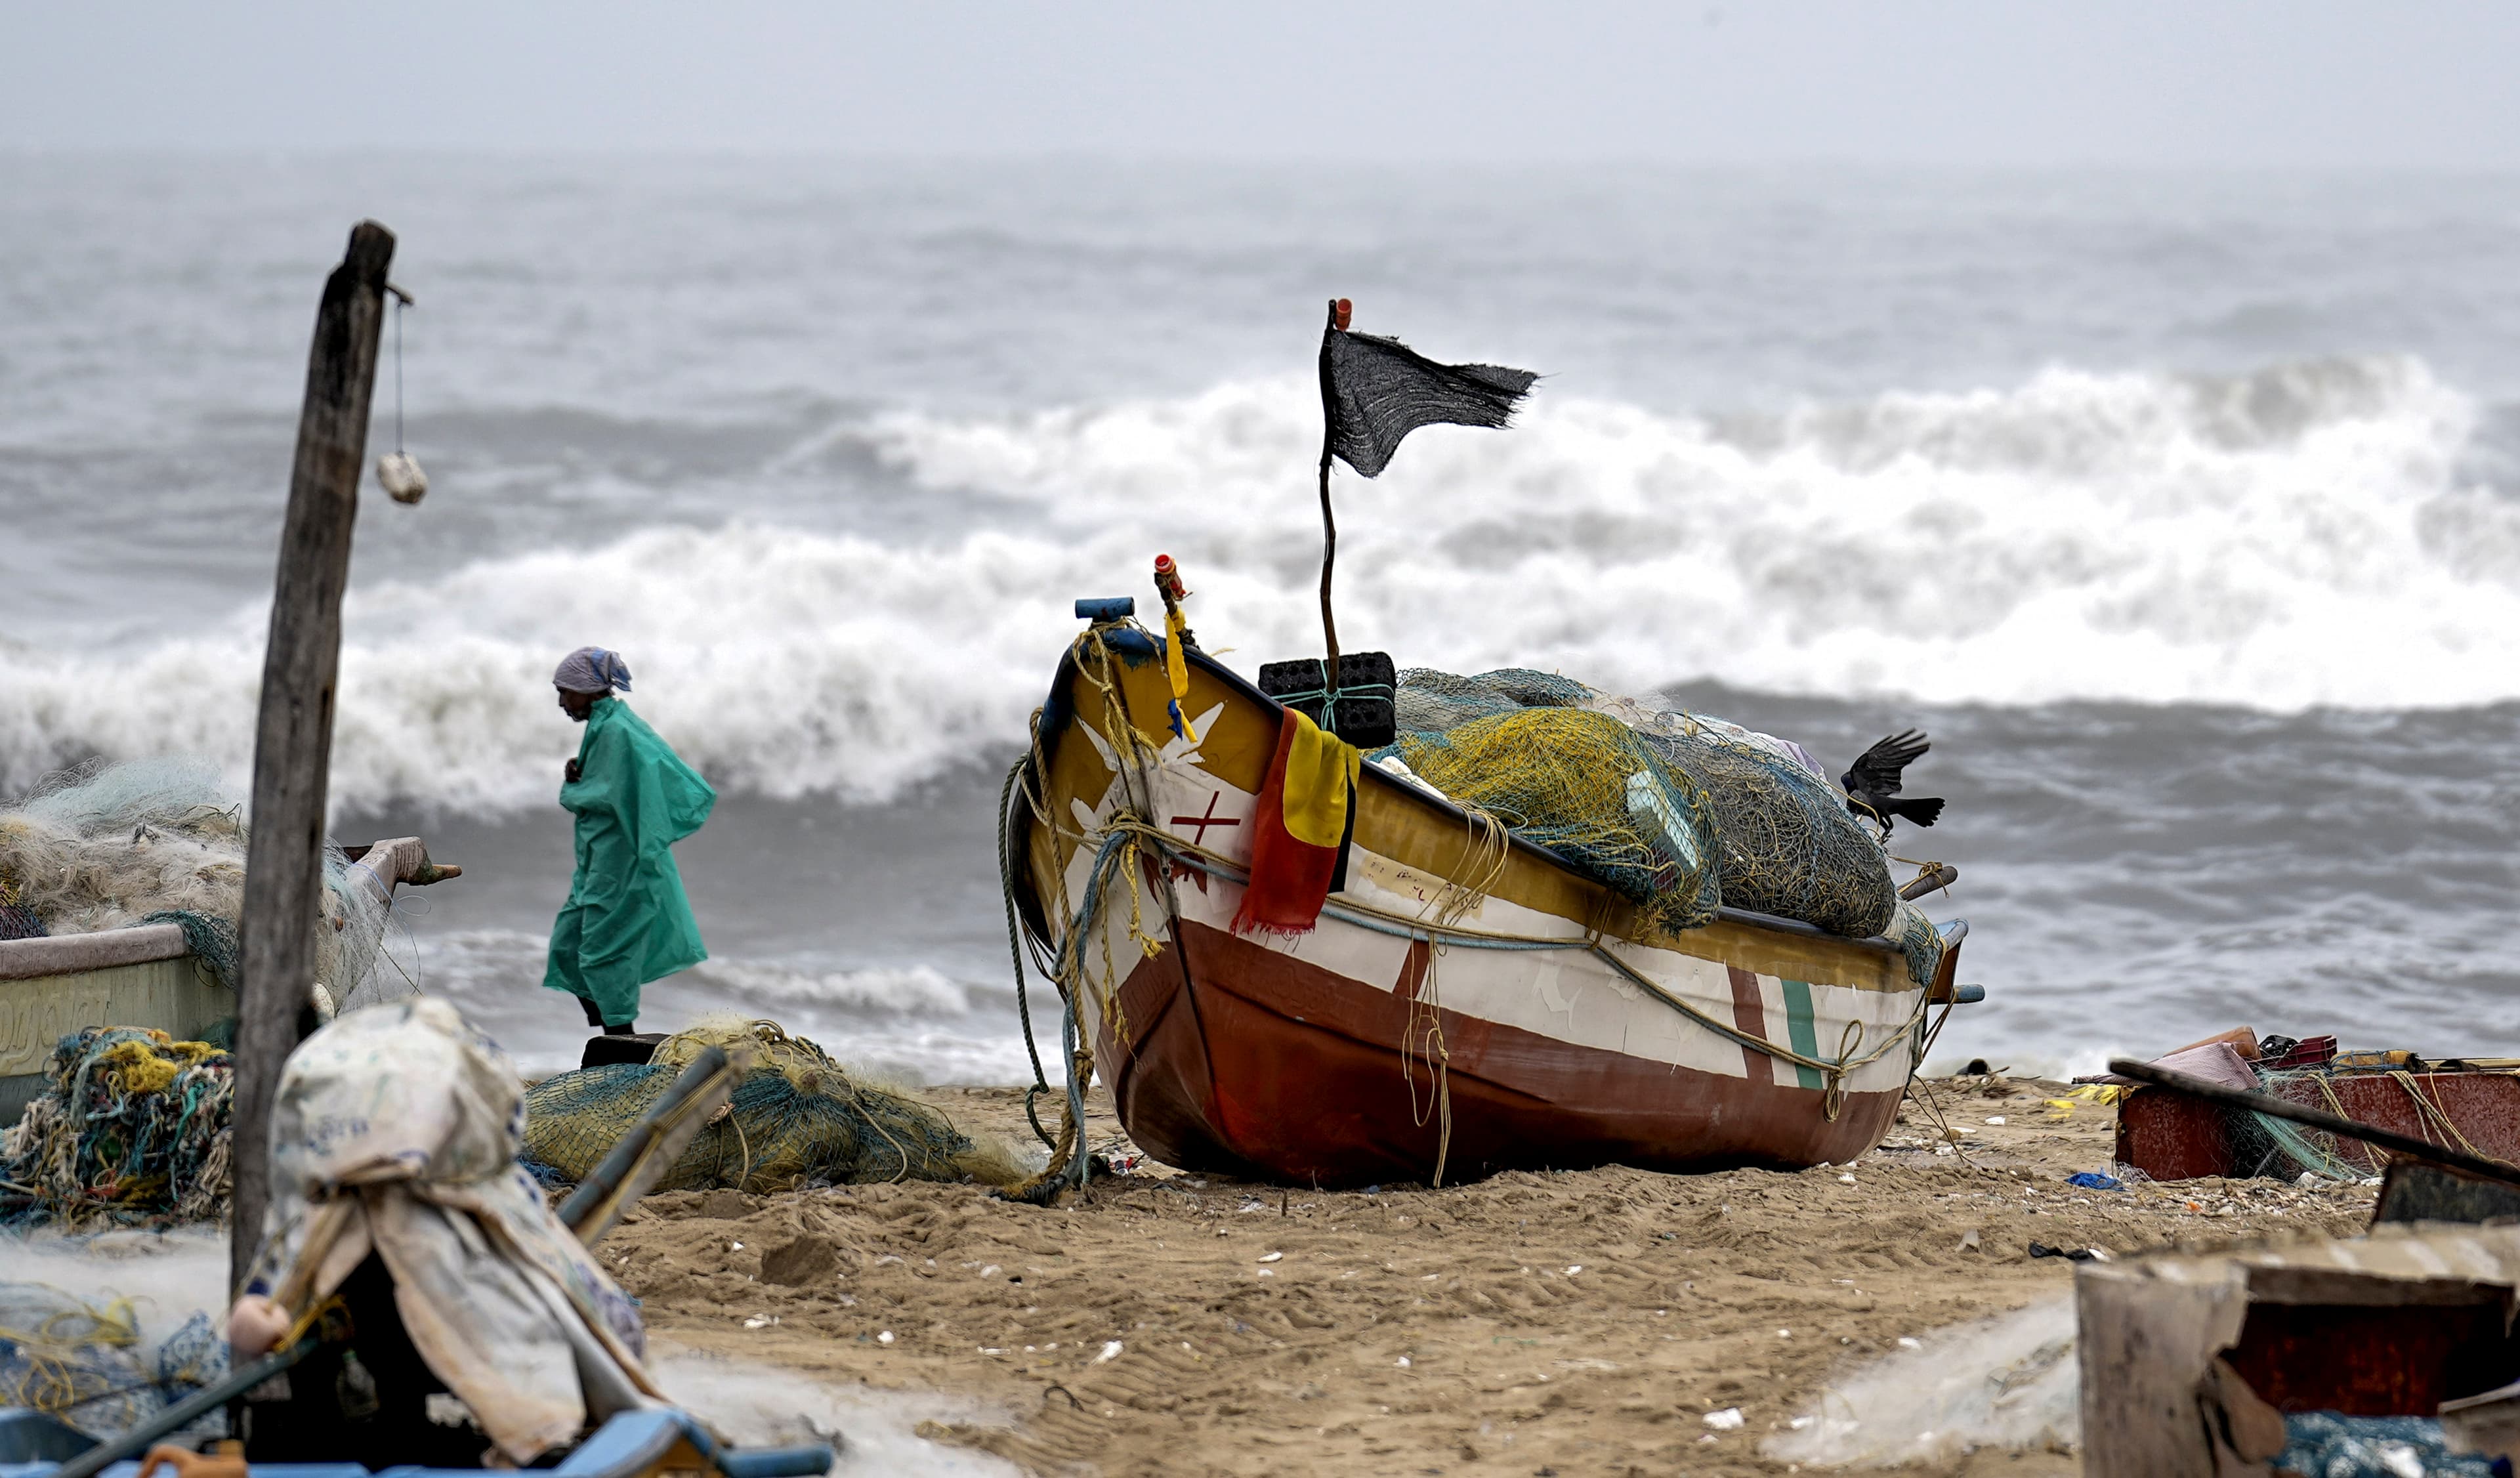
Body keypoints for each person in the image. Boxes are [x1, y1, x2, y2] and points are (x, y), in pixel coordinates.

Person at [541, 647, 715, 1035]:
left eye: (566, 691)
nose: (562, 702)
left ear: (588, 690)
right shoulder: (605, 726)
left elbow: (607, 793)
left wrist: (575, 788)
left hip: (620, 867)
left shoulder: (618, 729)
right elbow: (610, 783)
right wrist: (580, 776)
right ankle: (614, 1038)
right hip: (597, 864)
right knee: (569, 949)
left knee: (606, 956)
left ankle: (621, 1043)